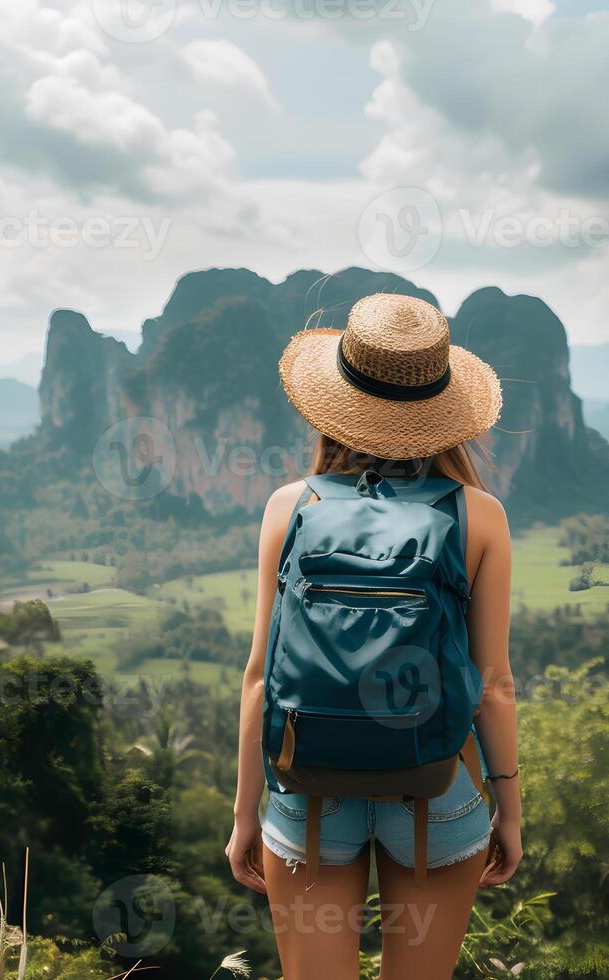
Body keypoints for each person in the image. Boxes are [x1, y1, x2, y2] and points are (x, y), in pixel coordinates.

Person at [227, 293, 522, 979]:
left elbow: (258, 678)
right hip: (440, 791)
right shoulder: (480, 516)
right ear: (445, 410)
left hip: (306, 793)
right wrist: (509, 808)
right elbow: (495, 686)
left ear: (334, 401)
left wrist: (246, 812)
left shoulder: (288, 507)